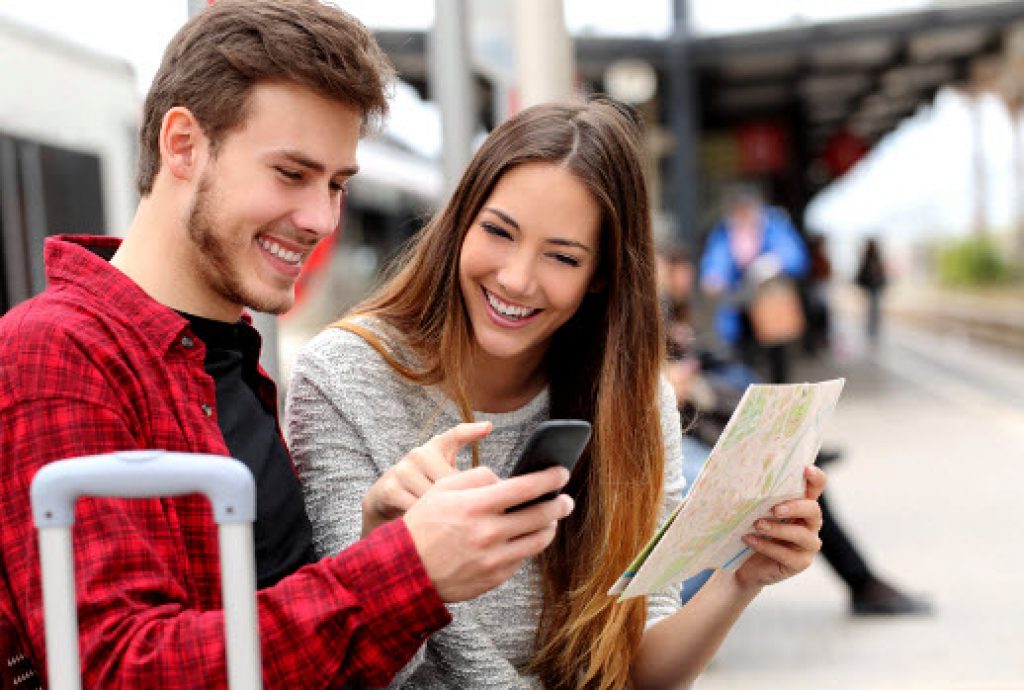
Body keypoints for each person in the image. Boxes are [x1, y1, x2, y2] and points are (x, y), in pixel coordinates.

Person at [0, 2, 574, 687]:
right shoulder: (54, 350)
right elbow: (121, 668)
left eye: (335, 184)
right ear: (182, 144)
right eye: (291, 174)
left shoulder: (225, 356)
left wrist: (377, 543)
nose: (320, 218)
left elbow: (270, 634)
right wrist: (404, 570)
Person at [286, 97, 827, 690]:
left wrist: (740, 577)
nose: (517, 278)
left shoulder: (635, 403)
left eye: (562, 257)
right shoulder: (341, 377)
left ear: (600, 275)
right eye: (498, 232)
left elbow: (635, 668)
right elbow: (341, 668)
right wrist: (389, 551)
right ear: (461, 220)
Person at [658, 245, 930, 618]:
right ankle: (861, 582)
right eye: (672, 268)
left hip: (692, 418)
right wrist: (665, 385)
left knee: (793, 467)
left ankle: (861, 580)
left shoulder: (674, 312)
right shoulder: (642, 312)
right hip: (678, 427)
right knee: (783, 471)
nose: (683, 277)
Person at [699, 185, 809, 383]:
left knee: (777, 364)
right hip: (738, 308)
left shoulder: (774, 225)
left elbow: (795, 256)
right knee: (741, 362)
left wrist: (773, 262)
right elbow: (716, 259)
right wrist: (713, 275)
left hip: (770, 307)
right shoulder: (724, 231)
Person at [855, 237, 888, 344]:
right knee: (872, 309)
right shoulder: (869, 259)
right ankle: (871, 329)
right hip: (871, 287)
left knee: (874, 309)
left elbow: (881, 274)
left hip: (875, 287)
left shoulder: (874, 259)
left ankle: (873, 329)